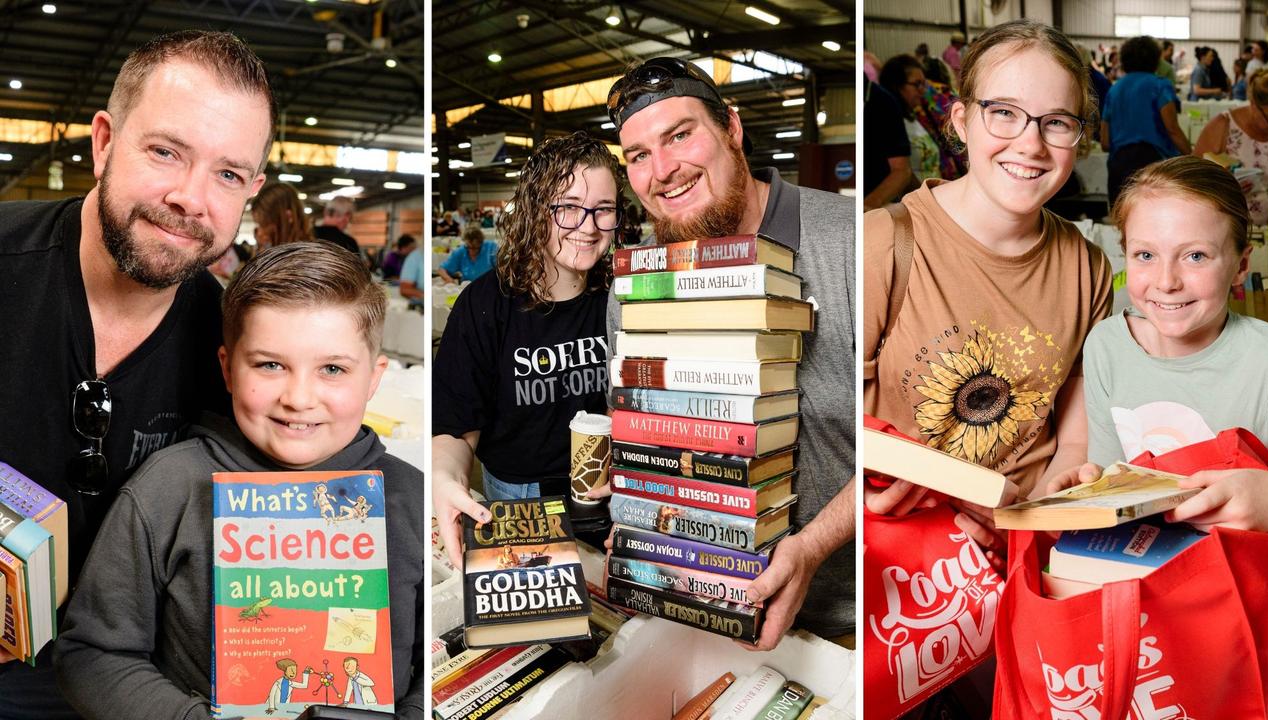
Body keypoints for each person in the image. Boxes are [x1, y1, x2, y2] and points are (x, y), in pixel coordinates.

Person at [0, 30, 273, 718]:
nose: (191, 197)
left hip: (129, 683)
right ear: (103, 142)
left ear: (253, 190)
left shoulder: (235, 346)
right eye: (165, 152)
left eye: (228, 173)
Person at [53, 242, 425, 719]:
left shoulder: (409, 497)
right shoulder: (169, 489)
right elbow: (91, 653)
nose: (299, 397)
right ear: (228, 368)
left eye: (332, 369)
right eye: (270, 365)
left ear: (373, 379)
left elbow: (430, 657)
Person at [602, 56, 856, 652]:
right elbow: (650, 440)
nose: (664, 170)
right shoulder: (637, 285)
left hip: (851, 620)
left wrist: (812, 546)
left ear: (732, 129)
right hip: (700, 607)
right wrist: (647, 525)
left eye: (680, 135)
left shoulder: (850, 243)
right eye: (639, 155)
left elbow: (908, 443)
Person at [865, 17, 1112, 569]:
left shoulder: (1088, 268)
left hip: (1026, 552)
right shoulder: (884, 244)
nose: (1030, 143)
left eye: (1056, 122)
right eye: (1004, 113)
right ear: (961, 121)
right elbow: (834, 425)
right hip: (911, 559)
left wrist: (1032, 522)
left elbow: (1073, 437)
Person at [1051, 156, 1268, 534]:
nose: (1167, 281)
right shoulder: (1107, 346)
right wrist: (1086, 490)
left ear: (1241, 265)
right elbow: (1109, 477)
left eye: (1195, 256)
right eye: (1146, 255)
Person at [431, 132, 619, 566]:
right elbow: (458, 423)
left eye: (603, 210)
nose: (588, 227)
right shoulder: (486, 304)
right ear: (536, 210)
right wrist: (445, 476)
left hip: (612, 491)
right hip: (520, 498)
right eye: (569, 208)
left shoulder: (622, 298)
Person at [1101, 35, 1191, 204]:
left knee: (1121, 222)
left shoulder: (1115, 89)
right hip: (1152, 165)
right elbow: (1172, 129)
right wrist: (1193, 157)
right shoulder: (1160, 85)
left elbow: (1105, 142)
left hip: (1118, 166)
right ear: (1155, 59)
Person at [1194, 68, 1268, 224]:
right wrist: (1227, 188)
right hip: (1228, 229)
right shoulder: (1223, 126)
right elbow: (1194, 181)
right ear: (1254, 104)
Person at [880, 55, 941, 181]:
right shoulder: (888, 124)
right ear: (897, 86)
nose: (922, 90)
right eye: (917, 84)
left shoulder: (916, 118)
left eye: (923, 84)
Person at [863, 73, 914, 210]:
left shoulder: (883, 101)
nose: (923, 90)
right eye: (916, 84)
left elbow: (901, 170)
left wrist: (868, 205)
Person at [251, 181, 313, 251]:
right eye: (259, 224)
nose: (259, 233)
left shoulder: (305, 256)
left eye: (265, 224)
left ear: (289, 217)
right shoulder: (273, 249)